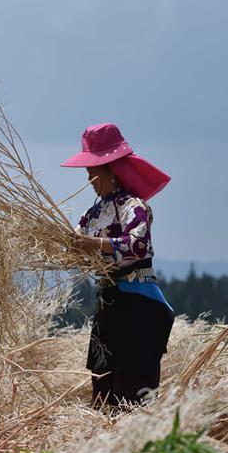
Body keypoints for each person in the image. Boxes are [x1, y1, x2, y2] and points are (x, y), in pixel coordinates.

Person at [61, 123, 175, 408]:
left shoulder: (134, 207)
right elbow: (76, 247)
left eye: (93, 171)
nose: (89, 178)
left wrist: (94, 245)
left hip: (138, 306)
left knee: (132, 393)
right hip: (108, 307)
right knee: (102, 390)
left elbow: (137, 246)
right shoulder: (93, 214)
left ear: (111, 169)